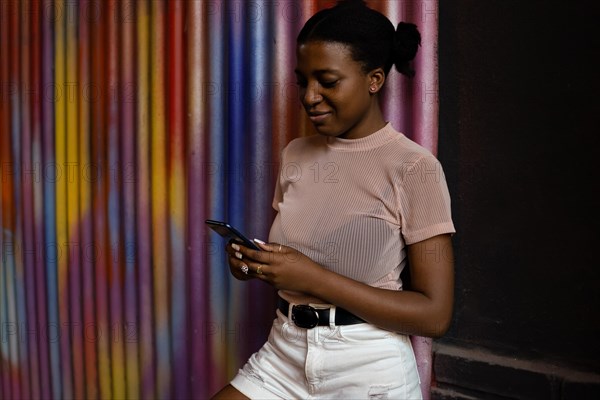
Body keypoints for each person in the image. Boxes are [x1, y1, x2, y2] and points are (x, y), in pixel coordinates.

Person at [212, 1, 455, 398]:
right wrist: (256, 264)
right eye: (302, 80)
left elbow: (434, 314)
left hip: (368, 366)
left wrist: (311, 277)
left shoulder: (414, 168)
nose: (310, 96)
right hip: (284, 352)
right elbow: (302, 253)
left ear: (374, 79)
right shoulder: (296, 154)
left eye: (327, 81)